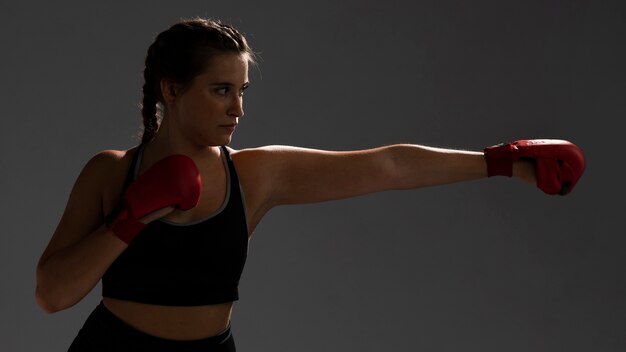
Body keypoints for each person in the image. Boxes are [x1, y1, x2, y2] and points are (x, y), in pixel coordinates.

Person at [34, 18, 586, 352]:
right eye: (221, 91)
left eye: (243, 90)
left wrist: (503, 162)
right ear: (172, 89)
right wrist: (130, 218)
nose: (238, 108)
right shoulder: (111, 172)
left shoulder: (255, 174)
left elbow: (388, 166)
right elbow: (52, 295)